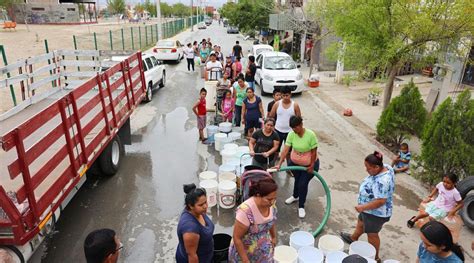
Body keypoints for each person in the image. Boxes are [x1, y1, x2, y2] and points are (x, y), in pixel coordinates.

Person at [340, 151, 395, 262]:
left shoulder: (383, 181)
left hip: (376, 213)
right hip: (368, 210)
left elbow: (380, 201)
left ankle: (375, 258)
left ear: (377, 167)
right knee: (361, 222)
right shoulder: (387, 167)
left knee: (372, 234)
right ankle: (353, 238)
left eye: (368, 168)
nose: (366, 170)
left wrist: (363, 207)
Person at [274, 116, 319, 218]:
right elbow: (285, 150)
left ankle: (301, 206)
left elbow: (314, 152)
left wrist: (312, 165)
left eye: (296, 127)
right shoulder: (291, 134)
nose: (294, 130)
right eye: (292, 128)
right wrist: (280, 163)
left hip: (309, 165)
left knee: (303, 184)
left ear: (301, 125)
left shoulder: (310, 135)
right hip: (295, 163)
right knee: (297, 180)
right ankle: (295, 196)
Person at [228, 178, 278, 262]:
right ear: (258, 195)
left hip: (263, 249)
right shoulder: (245, 211)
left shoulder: (271, 206)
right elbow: (237, 238)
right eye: (269, 199)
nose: (272, 202)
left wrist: (273, 237)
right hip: (245, 252)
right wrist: (245, 260)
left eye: (274, 198)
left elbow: (271, 222)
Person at [176, 184, 215, 263]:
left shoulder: (198, 211)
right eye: (201, 205)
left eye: (205, 202)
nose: (205, 206)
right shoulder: (190, 229)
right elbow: (192, 255)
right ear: (190, 206)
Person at [269, 86, 302, 152]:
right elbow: (271, 117)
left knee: (289, 151)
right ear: (281, 95)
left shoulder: (295, 105)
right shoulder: (277, 104)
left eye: (287, 95)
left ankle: (289, 161)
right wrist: (271, 127)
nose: (285, 97)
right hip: (278, 131)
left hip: (290, 132)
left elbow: (299, 120)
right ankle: (275, 162)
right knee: (275, 150)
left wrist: (299, 131)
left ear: (290, 94)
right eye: (283, 95)